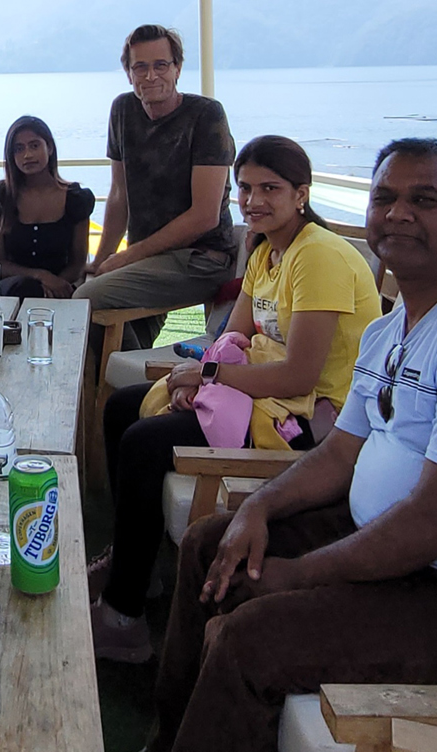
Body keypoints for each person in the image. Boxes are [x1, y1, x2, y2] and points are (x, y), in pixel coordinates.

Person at [150, 138, 437, 752]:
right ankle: (171, 734)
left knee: (251, 636)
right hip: (383, 539)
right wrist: (258, 507)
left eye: (424, 199)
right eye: (384, 197)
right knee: (212, 541)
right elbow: (341, 452)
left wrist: (300, 575)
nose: (397, 213)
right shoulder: (390, 331)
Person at [90, 135, 381, 663]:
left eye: (270, 188)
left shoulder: (317, 256)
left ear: (301, 193)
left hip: (305, 422)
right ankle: (140, 569)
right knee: (120, 407)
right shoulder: (268, 250)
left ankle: (124, 617)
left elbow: (299, 374)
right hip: (259, 398)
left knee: (143, 441)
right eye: (244, 188)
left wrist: (206, 375)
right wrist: (196, 374)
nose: (253, 200)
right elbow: (233, 333)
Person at [74, 25, 237, 348]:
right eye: (140, 67)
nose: (150, 76)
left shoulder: (206, 116)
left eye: (160, 65)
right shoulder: (123, 111)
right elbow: (119, 195)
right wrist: (101, 259)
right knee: (91, 305)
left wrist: (124, 258)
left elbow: (205, 216)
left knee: (87, 299)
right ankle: (124, 388)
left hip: (201, 258)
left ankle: (126, 386)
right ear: (128, 73)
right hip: (148, 259)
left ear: (177, 69)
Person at [0, 116, 94, 300]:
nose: (28, 155)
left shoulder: (76, 199)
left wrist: (54, 286)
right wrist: (41, 277)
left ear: (49, 148)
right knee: (26, 287)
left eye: (34, 146)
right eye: (19, 149)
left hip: (60, 289)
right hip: (11, 291)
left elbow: (78, 263)